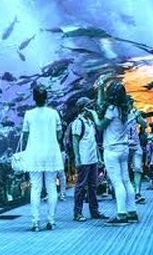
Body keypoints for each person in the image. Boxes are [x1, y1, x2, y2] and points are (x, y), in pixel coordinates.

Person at [90, 81, 138, 225]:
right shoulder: (126, 109)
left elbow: (100, 126)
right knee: (126, 180)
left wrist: (93, 114)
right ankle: (132, 212)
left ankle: (121, 214)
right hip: (124, 149)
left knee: (117, 183)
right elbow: (102, 105)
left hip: (112, 149)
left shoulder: (112, 109)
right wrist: (100, 89)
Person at [20, 84, 64, 231]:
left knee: (36, 188)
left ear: (34, 98)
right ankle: (51, 221)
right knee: (51, 187)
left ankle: (35, 222)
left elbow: (25, 135)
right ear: (46, 98)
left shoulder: (28, 114)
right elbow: (59, 133)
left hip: (34, 154)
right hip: (51, 153)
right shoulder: (54, 113)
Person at [71, 97, 108, 221]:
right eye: (89, 105)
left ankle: (94, 211)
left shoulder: (90, 123)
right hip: (84, 159)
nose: (92, 107)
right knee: (81, 186)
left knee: (93, 186)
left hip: (93, 159)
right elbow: (75, 141)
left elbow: (94, 142)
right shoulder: (78, 122)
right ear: (84, 108)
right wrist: (77, 158)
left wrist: (99, 158)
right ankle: (77, 213)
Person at [126, 98, 148, 204]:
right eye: (129, 103)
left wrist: (138, 117)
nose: (130, 105)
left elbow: (144, 124)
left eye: (131, 103)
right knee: (125, 170)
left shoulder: (134, 112)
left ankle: (137, 192)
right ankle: (127, 192)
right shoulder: (120, 113)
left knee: (138, 168)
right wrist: (133, 116)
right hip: (124, 145)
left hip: (136, 145)